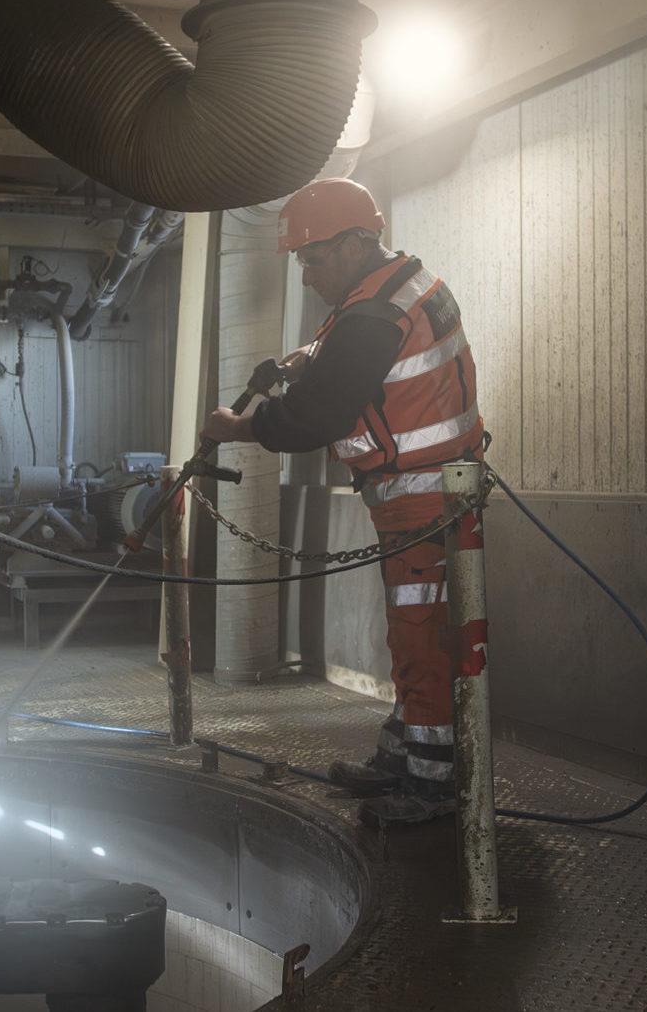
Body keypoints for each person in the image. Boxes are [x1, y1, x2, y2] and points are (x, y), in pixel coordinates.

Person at [202, 178, 483, 824]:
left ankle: (433, 789)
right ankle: (401, 756)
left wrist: (236, 427)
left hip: (421, 498)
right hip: (435, 492)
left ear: (357, 242)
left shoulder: (368, 316)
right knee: (413, 636)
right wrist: (303, 358)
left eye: (314, 257)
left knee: (421, 639)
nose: (306, 275)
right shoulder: (400, 284)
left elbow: (312, 419)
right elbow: (352, 358)